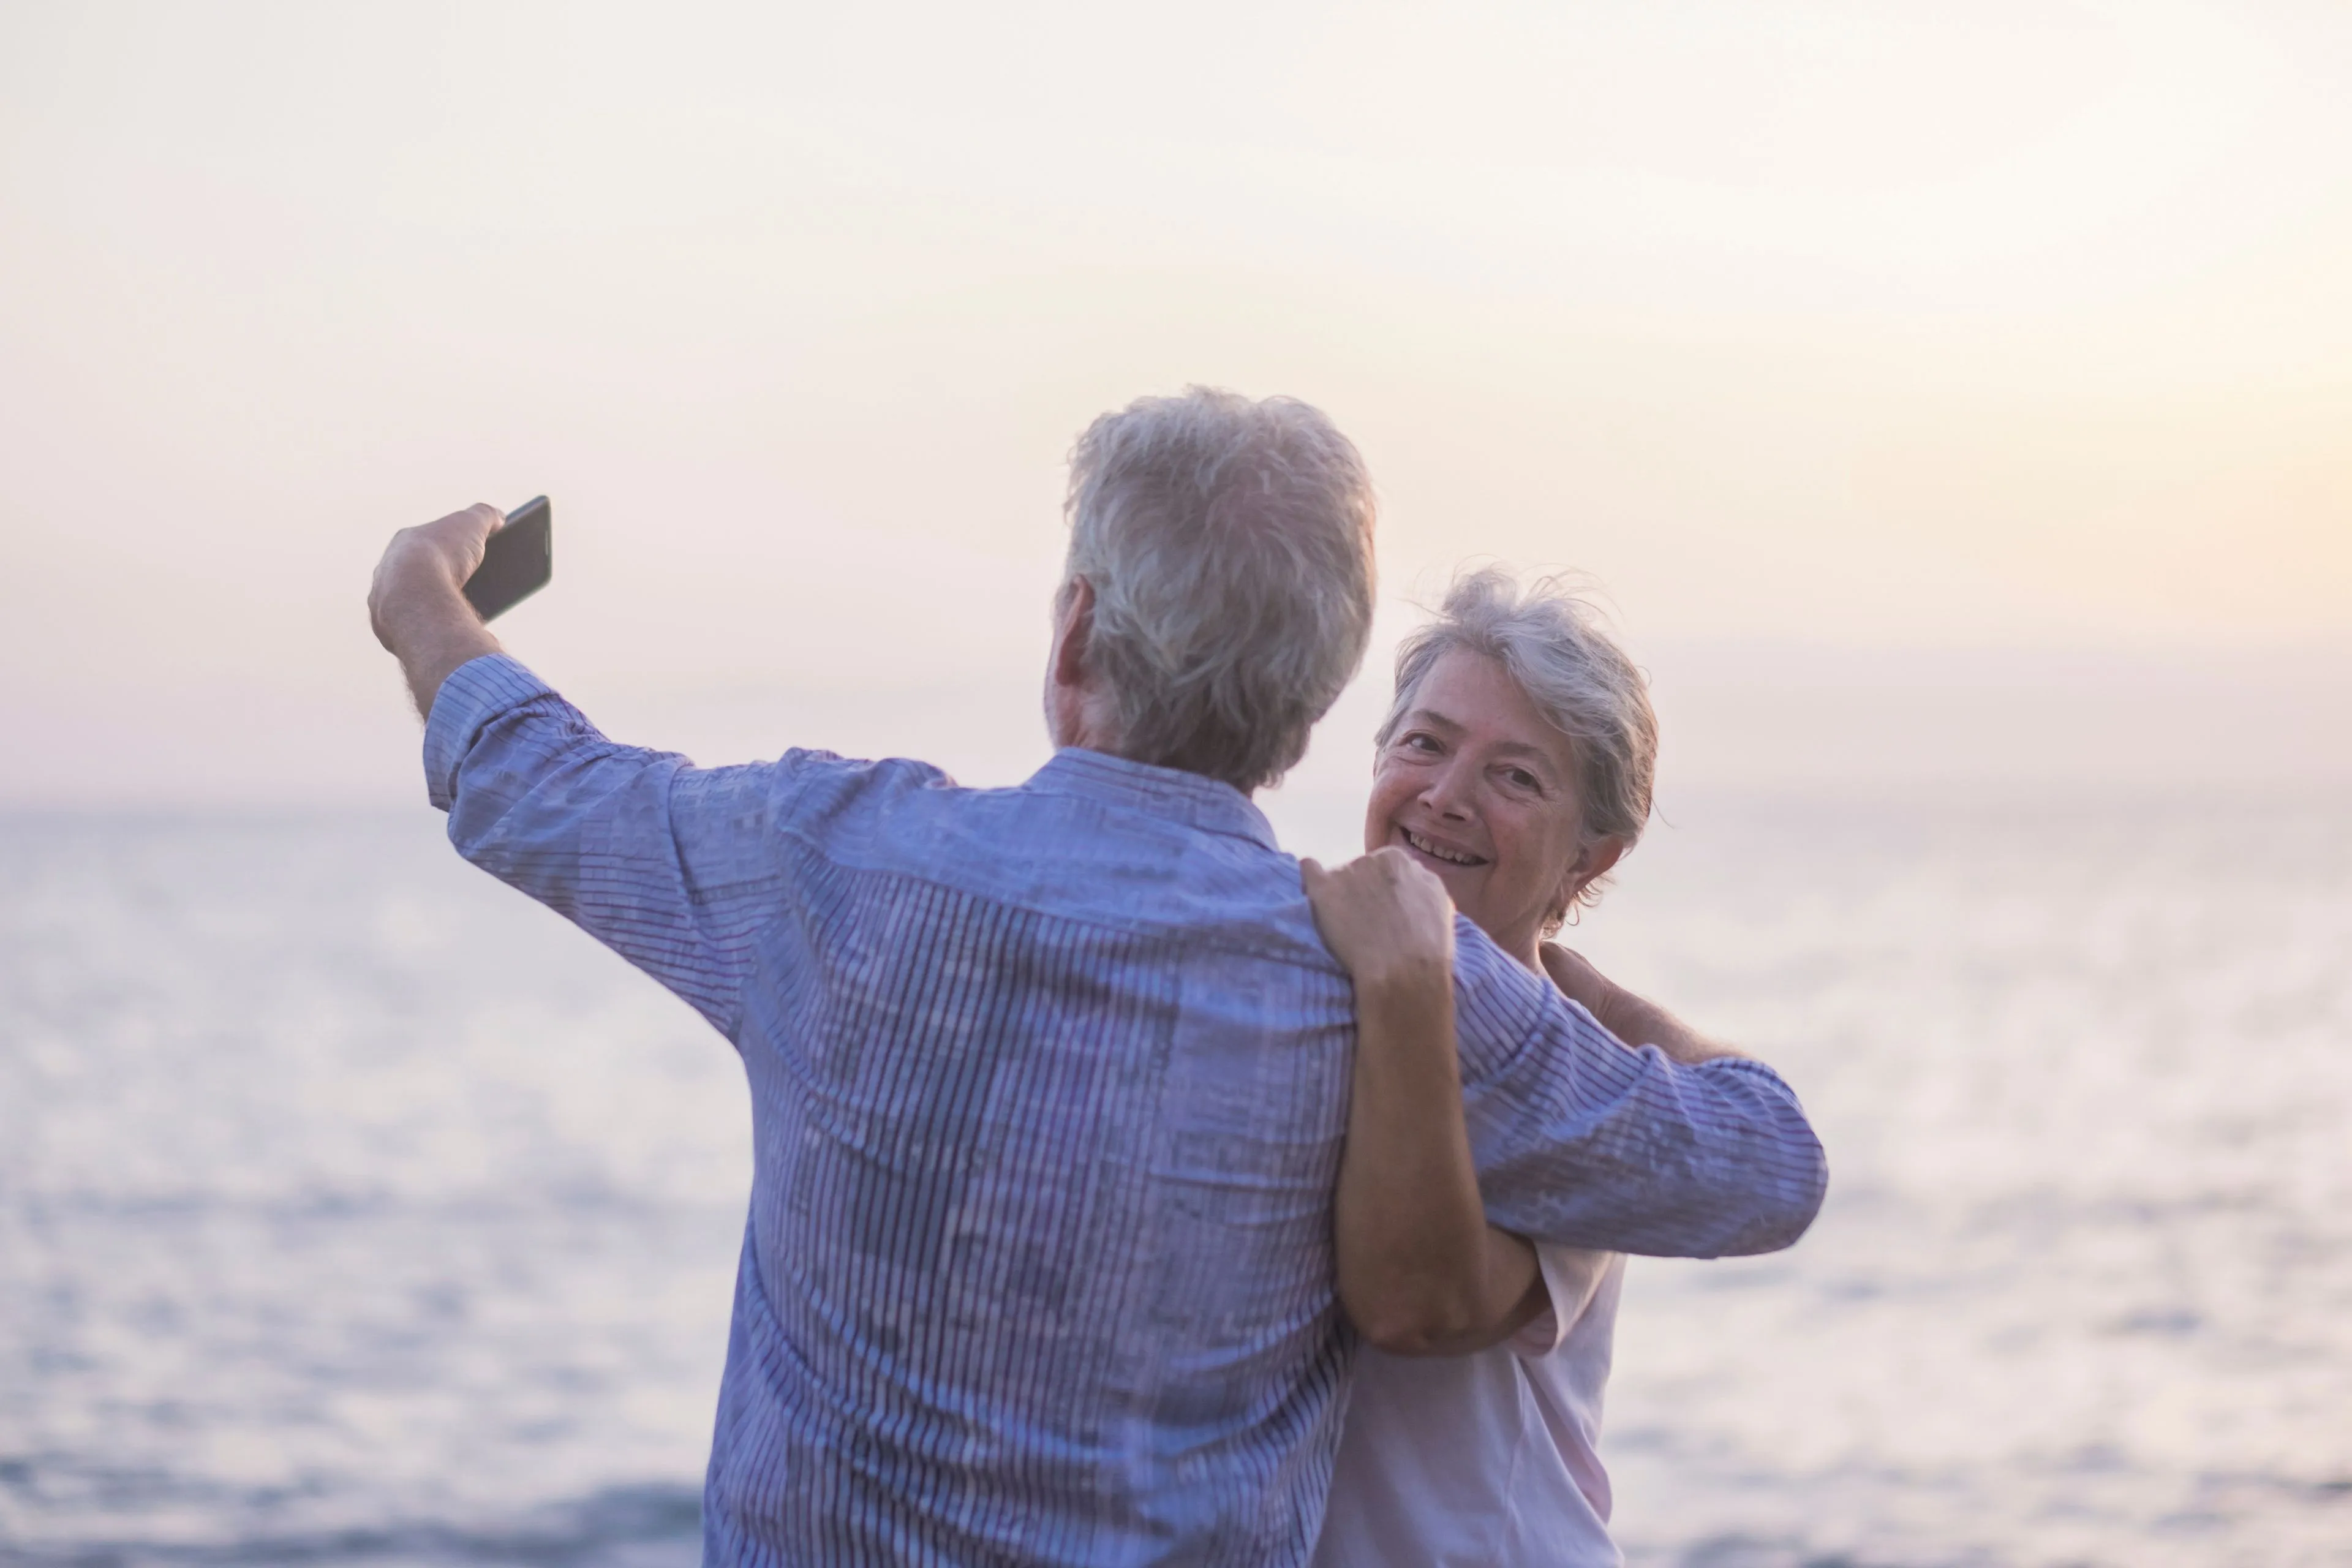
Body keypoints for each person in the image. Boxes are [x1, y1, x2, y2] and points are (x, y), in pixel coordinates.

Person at [366, 388, 1828, 1566]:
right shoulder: (1397, 980)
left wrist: (421, 595)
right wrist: (1560, 984)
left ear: (1075, 639)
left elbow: (532, 782)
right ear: (1323, 708)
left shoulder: (824, 858)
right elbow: (1767, 1162)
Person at [1303, 568, 1740, 1566]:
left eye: (1515, 777)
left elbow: (1432, 1305)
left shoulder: (1582, 1075)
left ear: (1592, 860)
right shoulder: (1298, 985)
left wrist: (1607, 1002)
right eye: (1424, 744)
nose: (1445, 798)